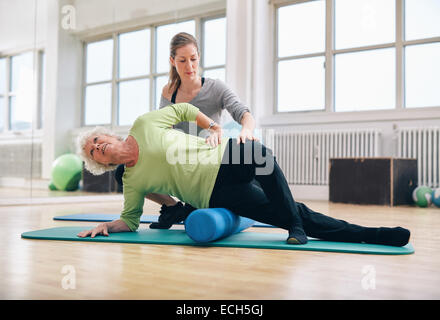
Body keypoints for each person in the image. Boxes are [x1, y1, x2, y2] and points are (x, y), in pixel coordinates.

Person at [76, 103, 411, 247]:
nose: (97, 147)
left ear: (109, 136)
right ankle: (376, 234)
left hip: (224, 157)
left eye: (96, 140)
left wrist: (213, 126)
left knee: (259, 153)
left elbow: (184, 110)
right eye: (92, 152)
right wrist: (108, 226)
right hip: (214, 195)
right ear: (102, 164)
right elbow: (131, 220)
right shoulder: (132, 180)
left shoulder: (144, 123)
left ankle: (293, 226)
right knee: (296, 212)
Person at [114, 32, 258, 228]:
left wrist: (247, 130)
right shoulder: (168, 92)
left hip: (209, 165)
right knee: (123, 171)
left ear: (199, 57)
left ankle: (191, 206)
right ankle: (172, 206)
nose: (189, 66)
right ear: (172, 61)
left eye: (193, 59)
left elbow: (244, 114)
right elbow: (162, 127)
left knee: (200, 215)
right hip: (179, 164)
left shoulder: (216, 88)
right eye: (182, 60)